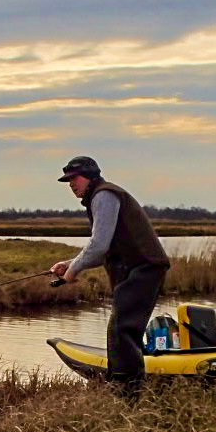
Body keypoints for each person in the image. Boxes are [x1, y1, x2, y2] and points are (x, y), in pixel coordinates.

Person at [50, 155, 170, 397]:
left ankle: (128, 393)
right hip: (135, 270)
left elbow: (98, 244)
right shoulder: (98, 197)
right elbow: (99, 251)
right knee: (121, 328)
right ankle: (124, 387)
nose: (71, 184)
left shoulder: (104, 195)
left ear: (90, 176)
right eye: (68, 180)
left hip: (144, 268)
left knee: (122, 329)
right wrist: (69, 264)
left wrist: (73, 271)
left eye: (74, 178)